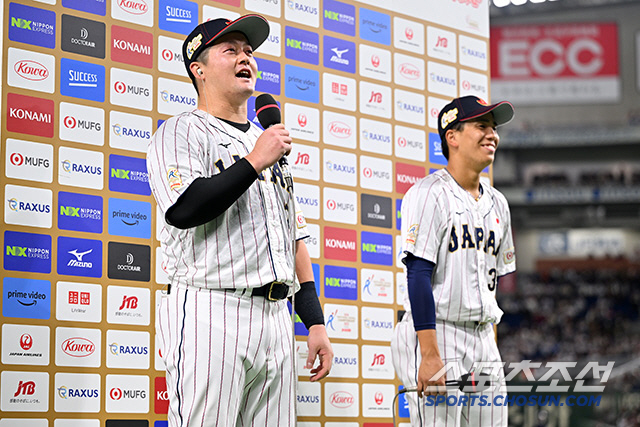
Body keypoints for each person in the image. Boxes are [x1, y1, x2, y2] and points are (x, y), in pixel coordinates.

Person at [147, 14, 333, 427]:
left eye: (249, 50)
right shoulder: (180, 131)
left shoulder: (265, 140)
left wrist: (314, 321)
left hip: (275, 315)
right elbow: (184, 208)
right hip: (211, 308)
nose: (244, 57)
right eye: (230, 50)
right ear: (198, 69)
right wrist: (254, 161)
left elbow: (293, 236)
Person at [391, 95, 517, 426]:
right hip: (438, 333)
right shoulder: (429, 193)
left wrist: (489, 342)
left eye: (493, 128)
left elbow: (491, 286)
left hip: (482, 337)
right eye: (482, 126)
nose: (492, 134)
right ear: (453, 136)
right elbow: (417, 275)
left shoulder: (498, 203)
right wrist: (430, 355)